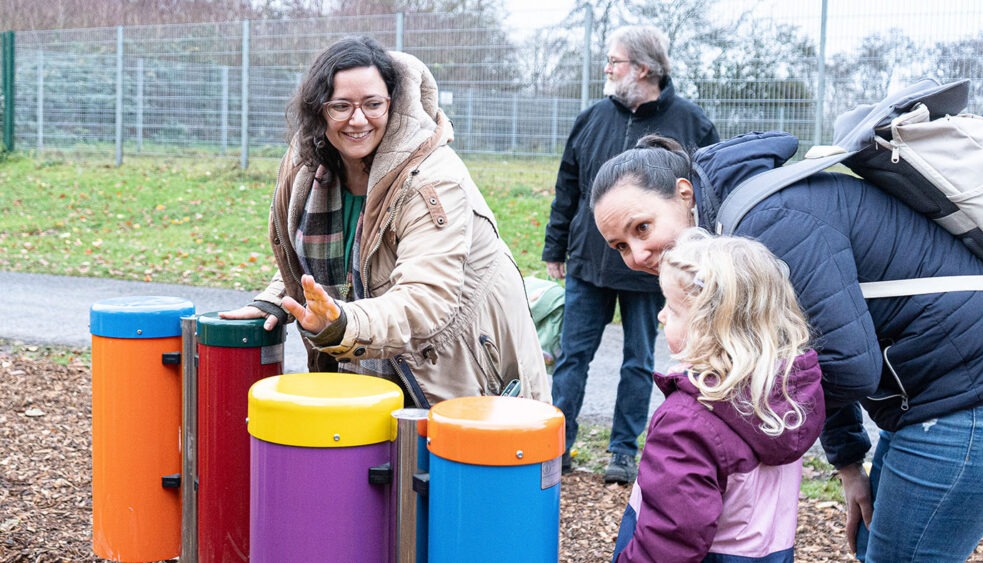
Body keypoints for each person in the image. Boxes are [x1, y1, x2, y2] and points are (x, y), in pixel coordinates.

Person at [591, 133, 983, 561]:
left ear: (684, 193)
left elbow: (843, 364)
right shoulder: (737, 229)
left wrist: (726, 419)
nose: (637, 255)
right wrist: (848, 463)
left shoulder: (767, 223)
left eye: (642, 228)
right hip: (928, 390)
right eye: (620, 245)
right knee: (871, 544)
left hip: (966, 391)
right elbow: (805, 347)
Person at [221, 35, 549, 407]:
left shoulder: (432, 180)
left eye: (373, 104)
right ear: (319, 110)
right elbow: (337, 256)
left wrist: (344, 323)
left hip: (458, 374)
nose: (358, 119)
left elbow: (426, 299)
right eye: (341, 106)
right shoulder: (308, 168)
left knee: (422, 465)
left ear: (394, 103)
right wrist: (279, 298)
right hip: (370, 360)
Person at [542, 24, 718, 483]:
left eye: (615, 60)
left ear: (642, 68)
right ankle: (557, 445)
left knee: (639, 359)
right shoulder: (591, 118)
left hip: (654, 267)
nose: (607, 68)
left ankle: (622, 451)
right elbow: (567, 187)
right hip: (588, 261)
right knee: (572, 356)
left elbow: (707, 193)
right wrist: (554, 246)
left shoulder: (691, 123)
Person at [612, 227, 824, 562]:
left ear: (712, 328)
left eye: (674, 308)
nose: (661, 314)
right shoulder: (785, 397)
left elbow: (668, 542)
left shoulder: (687, 422)